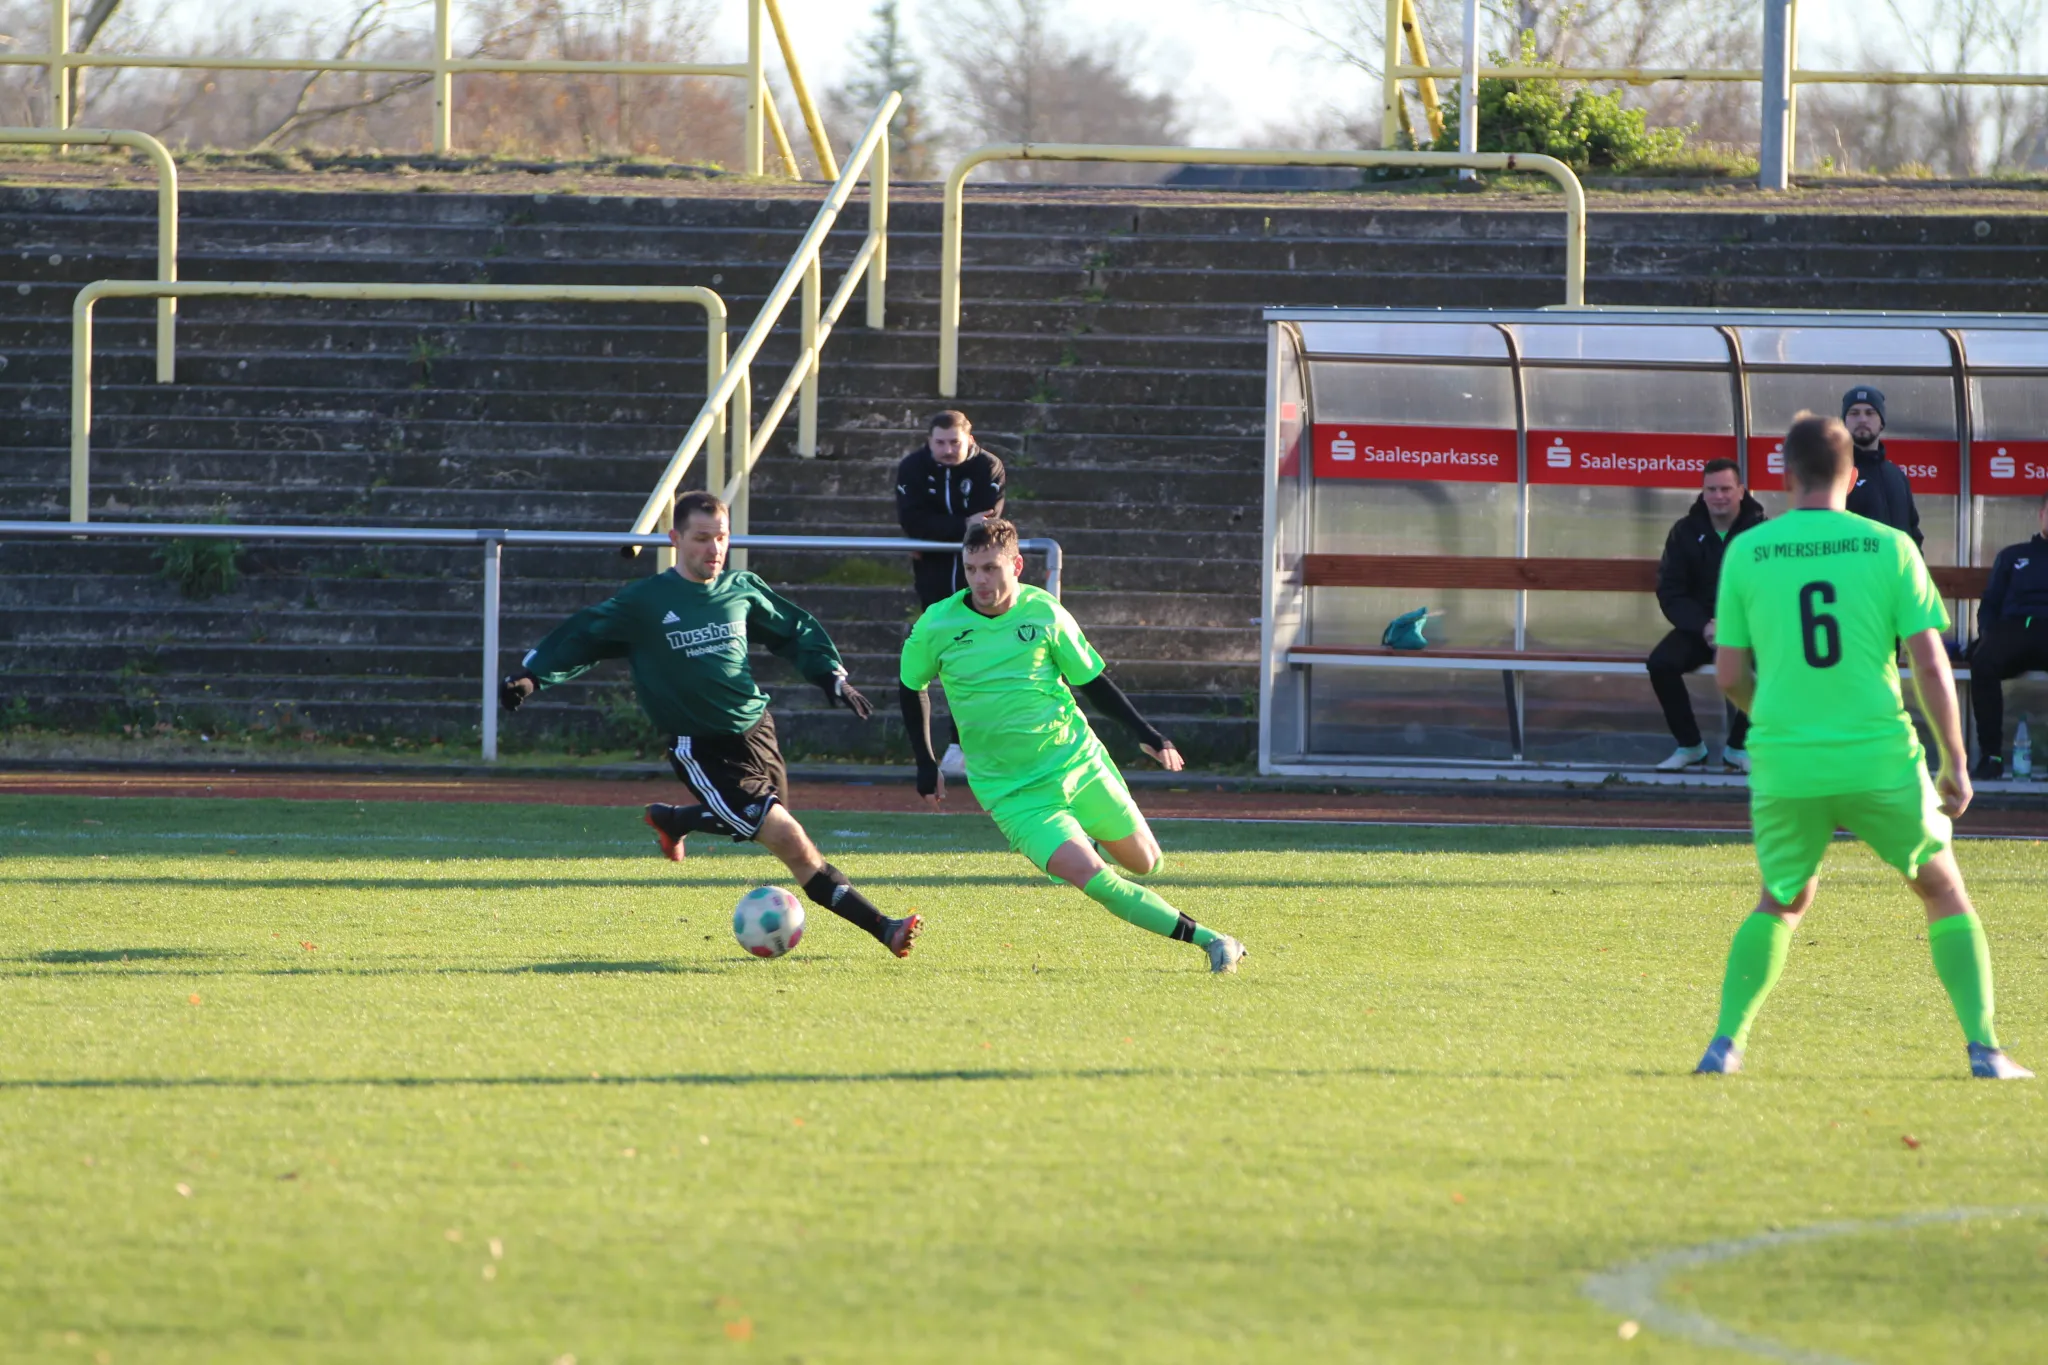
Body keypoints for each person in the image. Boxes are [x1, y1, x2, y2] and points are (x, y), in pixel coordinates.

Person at [1694, 413, 2028, 1080]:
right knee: (1942, 889)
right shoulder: (1889, 546)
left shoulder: (1749, 551)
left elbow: (1728, 674)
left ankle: (1725, 1045)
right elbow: (1929, 664)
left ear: (1785, 476)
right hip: (1879, 755)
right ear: (1853, 476)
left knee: (1782, 899)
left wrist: (1777, 718)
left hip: (1788, 760)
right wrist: (1956, 761)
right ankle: (1985, 1051)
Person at [500, 490, 921, 959]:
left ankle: (675, 818)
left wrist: (831, 677)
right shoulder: (646, 601)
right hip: (703, 749)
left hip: (757, 731)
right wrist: (532, 677)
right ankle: (884, 927)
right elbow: (582, 636)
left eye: (721, 537)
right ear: (675, 539)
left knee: (762, 822)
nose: (714, 548)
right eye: (702, 538)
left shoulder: (741, 588)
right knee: (789, 840)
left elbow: (793, 629)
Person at [897, 518, 1247, 973]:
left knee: (1146, 863)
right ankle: (1215, 941)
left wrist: (1148, 734)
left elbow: (1092, 681)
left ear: (1016, 566)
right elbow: (912, 686)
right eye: (971, 569)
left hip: (1076, 761)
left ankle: (1086, 838)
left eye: (991, 568)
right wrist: (925, 763)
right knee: (1097, 880)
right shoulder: (938, 623)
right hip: (1012, 792)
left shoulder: (1045, 613)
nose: (980, 580)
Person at [896, 409, 1006, 779]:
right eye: (939, 443)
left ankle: (971, 744)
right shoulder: (913, 467)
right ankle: (950, 748)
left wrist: (937, 532)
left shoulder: (988, 467)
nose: (946, 450)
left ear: (969, 440)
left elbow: (984, 527)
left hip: (981, 579)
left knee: (982, 658)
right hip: (934, 578)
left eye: (954, 443)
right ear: (929, 442)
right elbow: (912, 521)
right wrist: (959, 525)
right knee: (945, 657)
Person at [1649, 458, 1768, 773]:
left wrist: (1736, 626)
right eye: (1711, 489)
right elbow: (1671, 591)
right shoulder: (1685, 531)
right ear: (1702, 492)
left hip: (1748, 630)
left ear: (1741, 490)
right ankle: (1690, 747)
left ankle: (1738, 748)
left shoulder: (1762, 532)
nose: (1719, 496)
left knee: (1772, 662)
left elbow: (1771, 590)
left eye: (1726, 489)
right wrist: (1703, 625)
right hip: (1701, 630)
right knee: (1660, 664)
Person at [1968, 490, 2048, 780]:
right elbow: (1990, 603)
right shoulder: (2014, 555)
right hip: (2014, 630)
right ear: (2041, 514)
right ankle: (1991, 756)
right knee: (1983, 662)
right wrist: (1987, 634)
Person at [1840, 385, 1924, 548]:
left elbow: (1913, 530)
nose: (1862, 419)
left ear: (1881, 422)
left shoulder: (1896, 475)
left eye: (1870, 413)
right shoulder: (1834, 476)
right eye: (1854, 413)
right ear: (1844, 422)